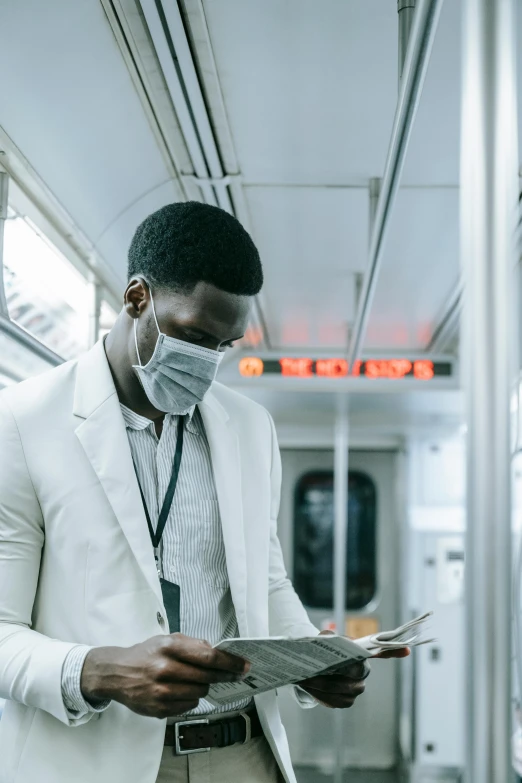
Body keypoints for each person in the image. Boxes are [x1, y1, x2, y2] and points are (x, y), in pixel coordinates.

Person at [0, 202, 406, 783]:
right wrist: (97, 670)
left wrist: (310, 660)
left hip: (242, 752)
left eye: (225, 345)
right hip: (99, 756)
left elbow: (265, 580)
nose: (207, 363)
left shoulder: (248, 427)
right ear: (137, 297)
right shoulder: (21, 421)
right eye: (193, 336)